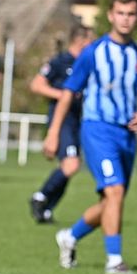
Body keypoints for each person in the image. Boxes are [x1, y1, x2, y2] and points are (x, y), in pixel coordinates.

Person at [46, 0, 137, 274]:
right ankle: (114, 260)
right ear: (110, 15)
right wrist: (54, 132)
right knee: (115, 191)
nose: (125, 19)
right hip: (97, 130)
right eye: (120, 13)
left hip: (126, 136)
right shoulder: (93, 52)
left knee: (111, 200)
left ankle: (70, 236)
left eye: (131, 14)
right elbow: (68, 93)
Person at [28, 25, 94, 223]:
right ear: (81, 40)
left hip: (77, 120)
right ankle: (41, 196)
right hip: (62, 118)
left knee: (70, 165)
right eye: (91, 40)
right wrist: (63, 95)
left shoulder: (86, 63)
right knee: (71, 164)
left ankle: (47, 209)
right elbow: (36, 85)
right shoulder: (60, 61)